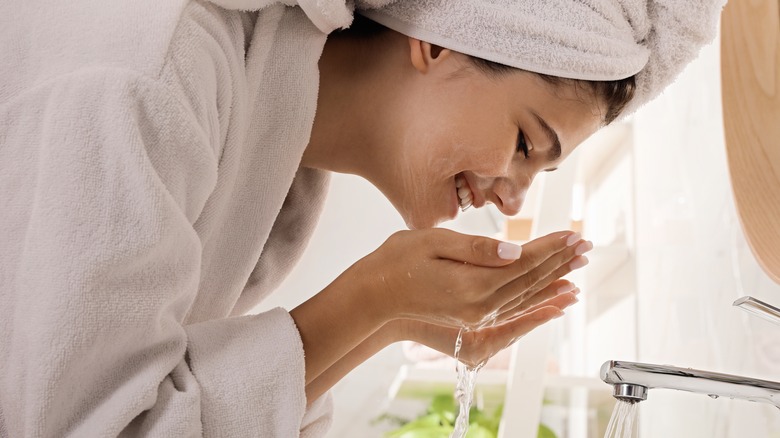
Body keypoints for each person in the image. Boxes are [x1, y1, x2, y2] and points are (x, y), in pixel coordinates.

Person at [0, 0, 725, 436]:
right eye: (527, 143)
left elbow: (161, 403)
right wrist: (370, 302)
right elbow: (82, 424)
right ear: (441, 41)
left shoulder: (283, 178)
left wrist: (392, 320)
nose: (514, 198)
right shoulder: (157, 76)